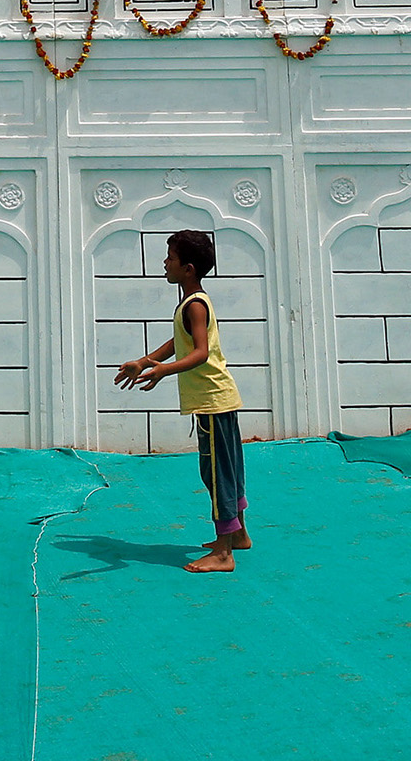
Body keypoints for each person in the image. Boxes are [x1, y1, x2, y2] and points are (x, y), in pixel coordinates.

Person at [113, 228, 249, 571]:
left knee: (216, 474)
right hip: (218, 400)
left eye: (170, 258)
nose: (165, 263)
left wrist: (164, 371)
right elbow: (180, 341)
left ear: (188, 268)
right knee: (227, 470)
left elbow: (200, 353)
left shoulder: (196, 305)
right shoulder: (192, 303)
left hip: (212, 403)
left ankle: (222, 553)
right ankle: (238, 534)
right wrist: (145, 362)